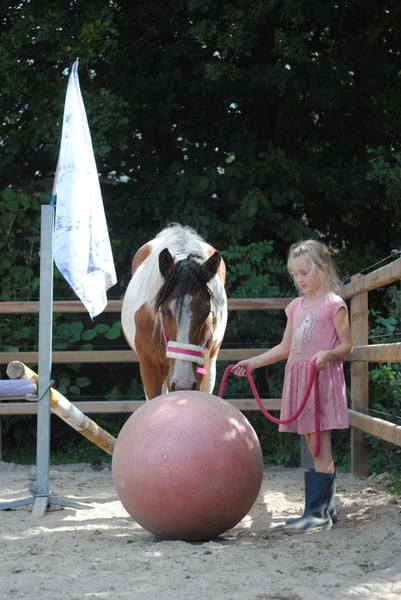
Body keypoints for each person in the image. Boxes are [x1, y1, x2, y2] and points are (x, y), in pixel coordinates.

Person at [231, 239, 352, 533]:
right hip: (299, 379)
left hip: (320, 380)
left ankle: (318, 513)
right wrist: (254, 362)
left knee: (319, 443)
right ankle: (325, 509)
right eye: (295, 274)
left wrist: (327, 355)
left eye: (304, 273)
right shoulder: (296, 307)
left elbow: (347, 346)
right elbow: (285, 347)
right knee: (312, 442)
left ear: (323, 269)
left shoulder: (334, 305)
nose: (299, 279)